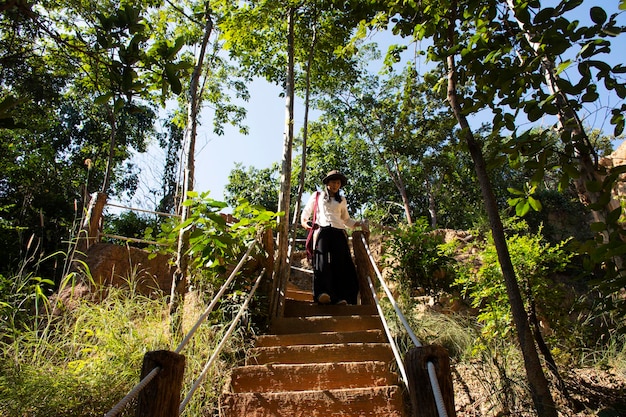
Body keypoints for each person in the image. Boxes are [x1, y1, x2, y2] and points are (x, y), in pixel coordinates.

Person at [300, 170, 368, 305]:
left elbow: (346, 220)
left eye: (338, 183)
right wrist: (304, 223)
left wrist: (359, 224)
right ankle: (322, 294)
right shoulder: (317, 195)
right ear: (327, 183)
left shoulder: (342, 200)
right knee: (322, 262)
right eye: (333, 182)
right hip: (322, 230)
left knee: (342, 263)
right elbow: (305, 214)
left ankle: (343, 298)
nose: (336, 185)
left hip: (339, 232)